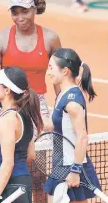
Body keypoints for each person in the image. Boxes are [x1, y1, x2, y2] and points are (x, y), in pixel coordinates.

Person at [0, 0, 62, 202]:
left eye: (24, 11)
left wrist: (59, 115)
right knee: (1, 162)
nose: (19, 17)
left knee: (37, 172)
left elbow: (58, 80)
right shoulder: (0, 40)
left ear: (34, 10)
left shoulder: (51, 39)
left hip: (37, 106)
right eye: (14, 12)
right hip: (5, 107)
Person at [0, 66, 44, 203]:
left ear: (7, 90)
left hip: (9, 188)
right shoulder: (25, 115)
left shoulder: (7, 120)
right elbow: (30, 154)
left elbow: (8, 163)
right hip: (22, 185)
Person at [45, 48, 101, 203]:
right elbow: (51, 125)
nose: (48, 72)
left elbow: (82, 137)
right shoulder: (63, 94)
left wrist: (75, 171)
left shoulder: (72, 102)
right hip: (63, 163)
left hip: (70, 166)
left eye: (51, 67)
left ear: (65, 71)